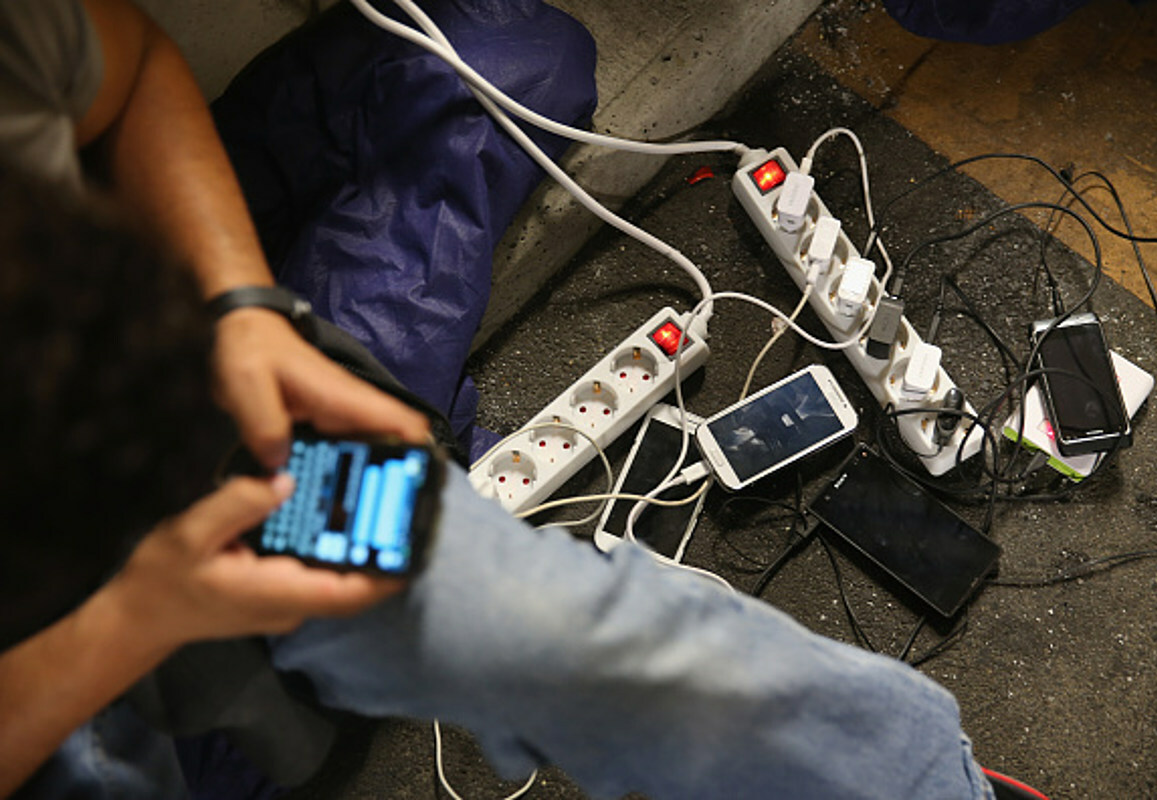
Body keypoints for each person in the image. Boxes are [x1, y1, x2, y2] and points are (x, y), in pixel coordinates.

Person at [0, 1, 1035, 798]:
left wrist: (241, 311)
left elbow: (122, 62)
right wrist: (133, 616)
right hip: (72, 652)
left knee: (510, 61)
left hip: (173, 430)